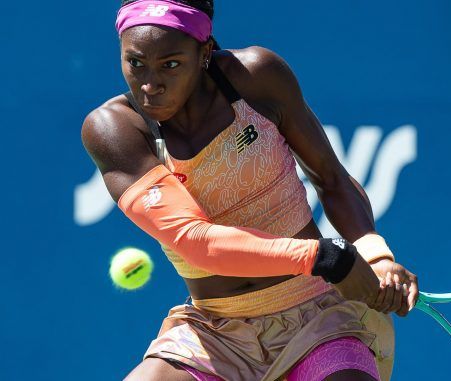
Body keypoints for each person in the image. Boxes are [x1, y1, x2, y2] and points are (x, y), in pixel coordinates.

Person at [81, 1, 419, 380]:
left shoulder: (257, 77)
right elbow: (194, 240)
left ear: (205, 52)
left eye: (171, 64)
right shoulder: (114, 130)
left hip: (318, 319)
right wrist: (321, 257)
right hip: (214, 331)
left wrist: (375, 254)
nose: (149, 85)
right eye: (135, 63)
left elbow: (331, 177)